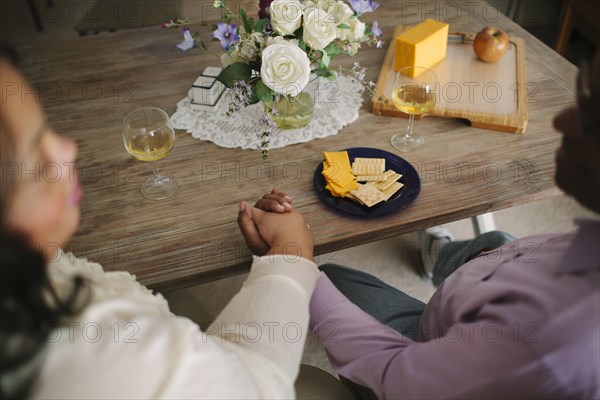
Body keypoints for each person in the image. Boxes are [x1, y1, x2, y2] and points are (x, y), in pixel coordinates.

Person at [0, 40, 318, 399]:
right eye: (38, 163)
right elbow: (263, 386)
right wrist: (292, 251)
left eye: (47, 131)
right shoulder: (95, 356)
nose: (69, 149)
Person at [307, 52, 600, 399]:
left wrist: (290, 263)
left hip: (422, 347)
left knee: (329, 279)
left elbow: (393, 375)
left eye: (591, 116)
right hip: (465, 317)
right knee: (497, 239)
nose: (561, 121)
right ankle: (440, 255)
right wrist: (498, 263)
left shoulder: (550, 338)